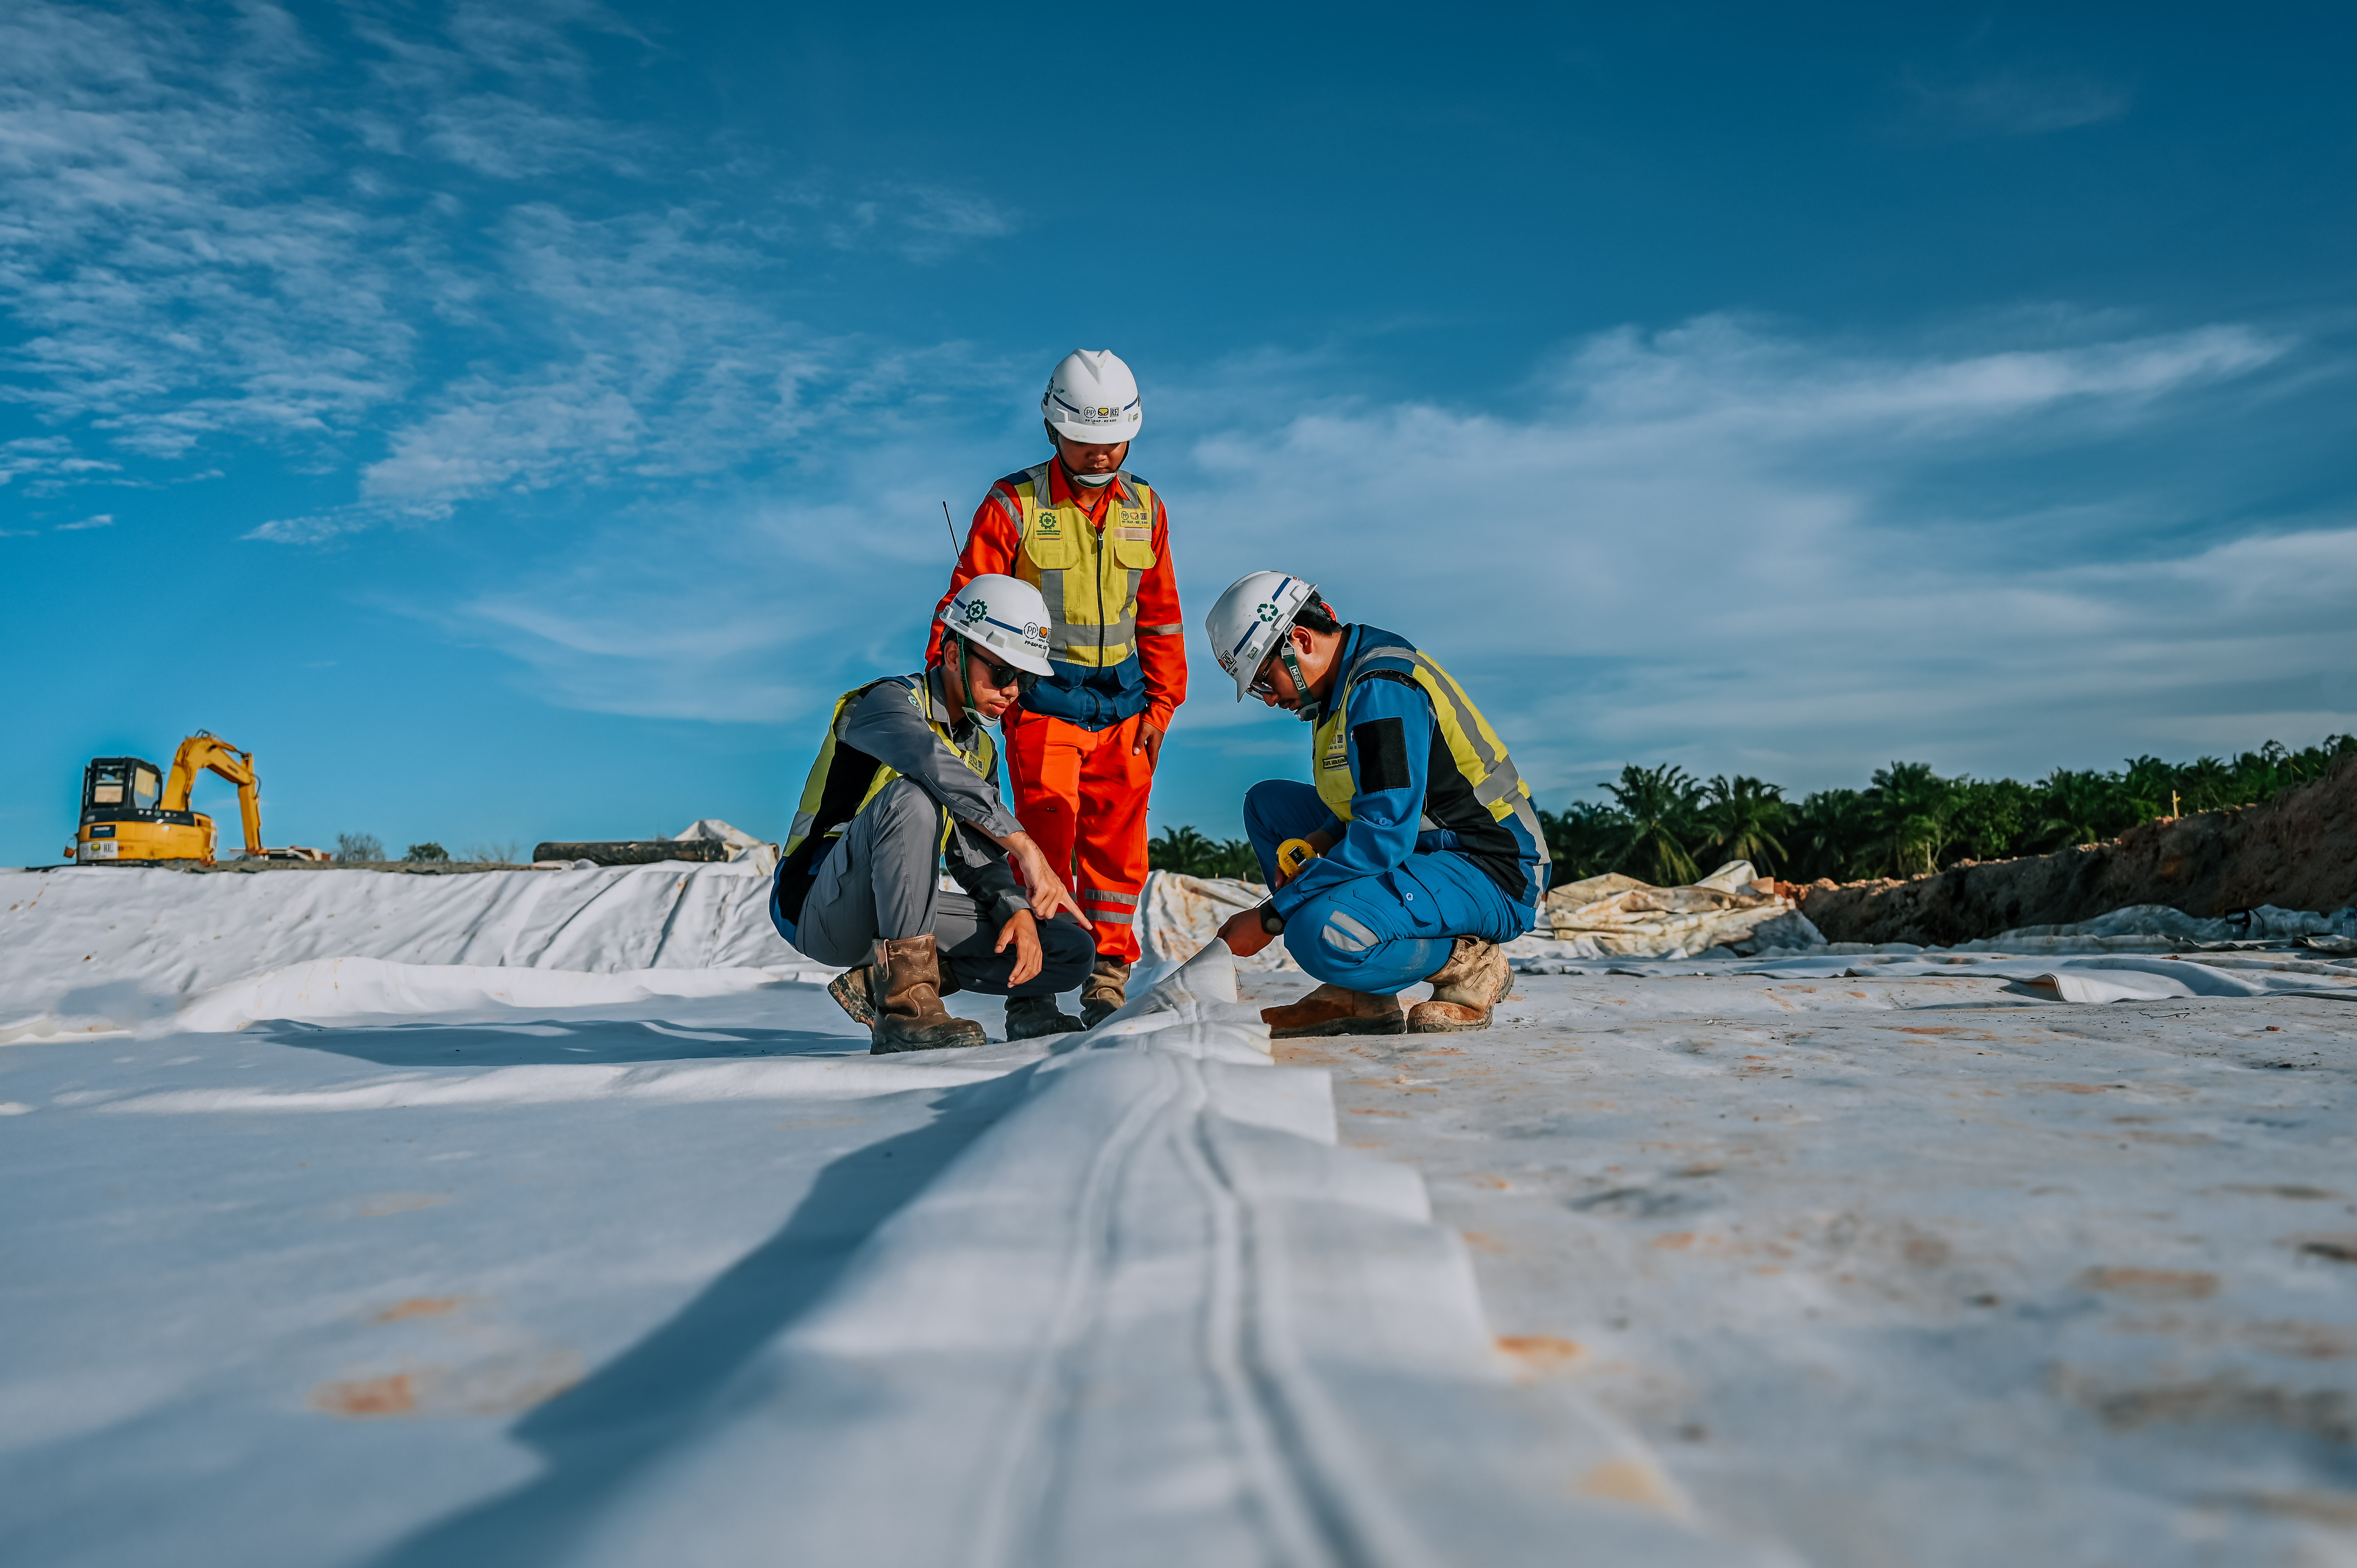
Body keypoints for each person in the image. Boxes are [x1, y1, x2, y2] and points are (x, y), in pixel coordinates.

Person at [928, 350, 1187, 1033]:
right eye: (1085, 441)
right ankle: (1033, 993)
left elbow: (1160, 614)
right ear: (1052, 429)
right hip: (1041, 704)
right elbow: (966, 601)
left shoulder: (1148, 508)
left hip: (1127, 708)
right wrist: (948, 683)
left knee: (1117, 855)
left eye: (1114, 442)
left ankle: (1106, 978)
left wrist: (1163, 704)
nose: (1101, 455)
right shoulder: (1012, 504)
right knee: (1042, 842)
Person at [1202, 572, 1550, 1037]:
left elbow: (1384, 835)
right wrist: (1322, 837)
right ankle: (1361, 997)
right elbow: (1365, 800)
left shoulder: (1381, 688)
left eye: (1266, 681)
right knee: (1268, 808)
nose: (1270, 700)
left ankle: (1468, 966)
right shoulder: (1338, 689)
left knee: (1315, 934)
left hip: (1490, 865)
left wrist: (1271, 916)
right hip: (1424, 845)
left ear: (1300, 641)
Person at [772, 574, 1097, 1053]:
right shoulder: (885, 703)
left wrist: (1016, 910)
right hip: (821, 904)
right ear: (951, 655)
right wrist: (1024, 844)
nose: (1012, 691)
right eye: (1004, 672)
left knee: (1069, 949)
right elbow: (930, 763)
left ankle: (888, 986)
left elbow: (976, 858)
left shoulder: (980, 749)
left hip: (896, 914)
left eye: (1024, 680)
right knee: (914, 797)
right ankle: (906, 1011)